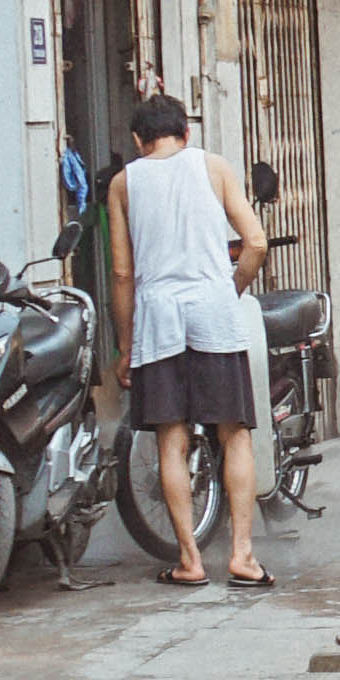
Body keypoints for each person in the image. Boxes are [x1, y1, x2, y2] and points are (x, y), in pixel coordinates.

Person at [112, 90, 270, 587]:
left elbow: (121, 274)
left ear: (139, 140)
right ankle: (242, 556)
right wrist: (231, 287)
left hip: (158, 321)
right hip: (213, 312)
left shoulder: (124, 183)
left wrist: (124, 347)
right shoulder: (215, 167)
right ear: (186, 134)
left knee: (171, 441)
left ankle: (190, 561)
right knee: (234, 433)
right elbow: (257, 243)